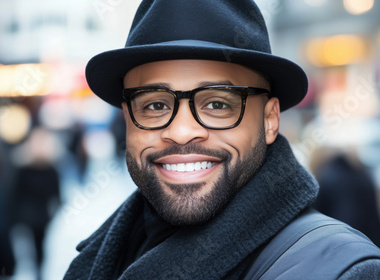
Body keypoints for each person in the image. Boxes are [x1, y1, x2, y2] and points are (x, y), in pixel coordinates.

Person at [64, 0, 380, 279]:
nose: (181, 131)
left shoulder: (340, 269)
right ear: (127, 119)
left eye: (217, 104)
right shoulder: (103, 256)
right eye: (155, 105)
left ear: (270, 120)